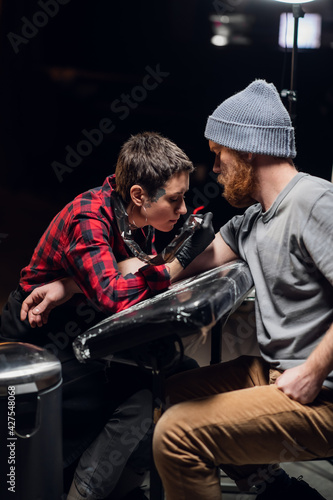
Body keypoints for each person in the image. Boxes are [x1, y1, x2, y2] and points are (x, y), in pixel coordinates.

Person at [0, 131, 214, 500]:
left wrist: (71, 284)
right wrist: (178, 261)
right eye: (176, 200)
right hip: (37, 338)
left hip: (81, 322)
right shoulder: (89, 216)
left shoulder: (135, 218)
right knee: (142, 392)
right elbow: (115, 295)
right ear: (138, 195)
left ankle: (125, 485)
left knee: (179, 374)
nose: (182, 211)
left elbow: (129, 269)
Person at [150, 80, 333, 500]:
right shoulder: (253, 220)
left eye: (219, 155)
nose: (214, 169)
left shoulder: (314, 202)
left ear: (248, 148)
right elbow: (175, 267)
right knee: (165, 396)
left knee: (177, 435)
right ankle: (277, 493)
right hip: (270, 373)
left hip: (320, 392)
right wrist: (72, 280)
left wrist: (313, 371)